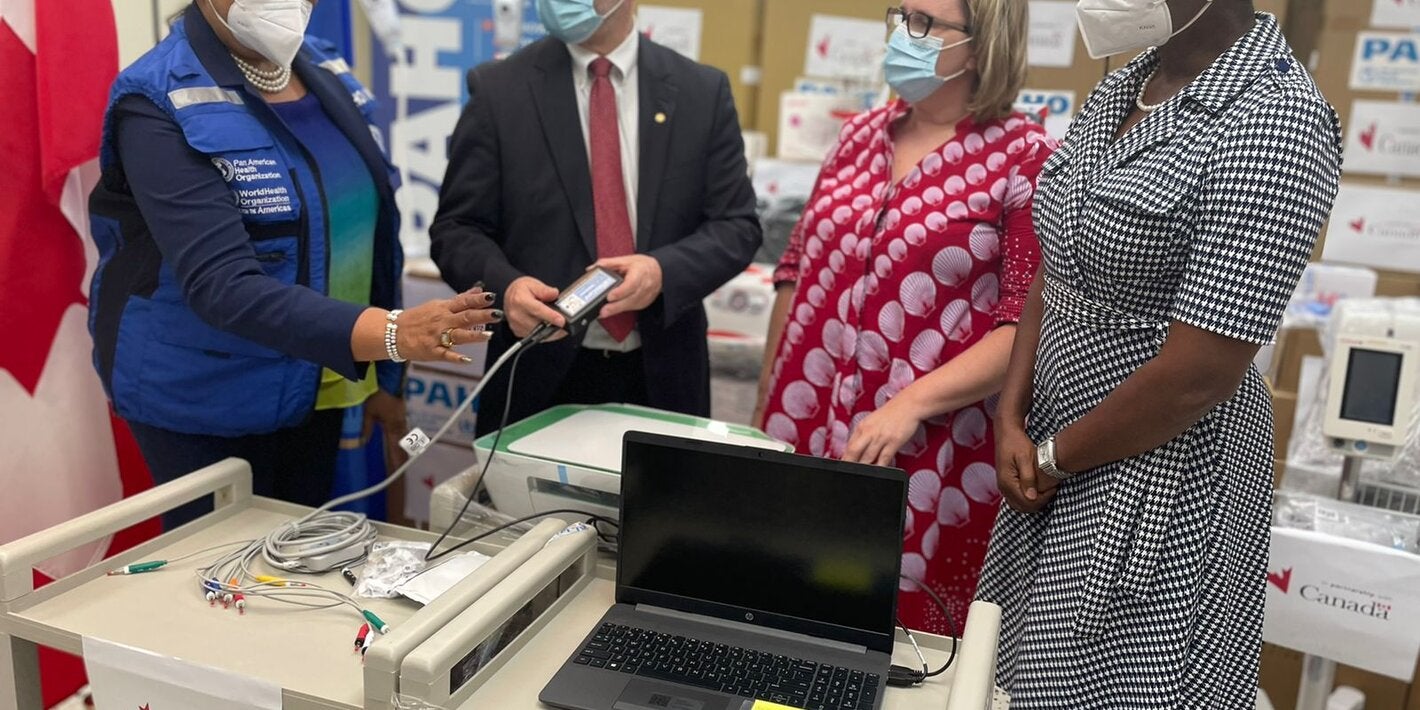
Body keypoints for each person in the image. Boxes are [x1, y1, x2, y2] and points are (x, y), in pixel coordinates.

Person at [974, 1, 1341, 706]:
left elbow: (1197, 377)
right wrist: (1011, 415)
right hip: (1049, 453)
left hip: (1157, 477)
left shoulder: (1277, 117)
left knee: (1111, 690)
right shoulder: (1127, 84)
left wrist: (1053, 454)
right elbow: (1057, 263)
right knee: (1016, 683)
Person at [89, 0, 500, 528]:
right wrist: (391, 333)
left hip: (319, 380)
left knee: (298, 563)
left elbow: (371, 235)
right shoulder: (155, 99)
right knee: (225, 588)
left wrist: (388, 376)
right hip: (209, 400)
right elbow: (223, 285)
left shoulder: (326, 68)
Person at [753, 0, 1052, 632]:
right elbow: (796, 271)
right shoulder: (861, 135)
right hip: (804, 430)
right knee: (781, 615)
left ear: (978, 47)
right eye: (898, 15)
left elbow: (1024, 325)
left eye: (924, 24)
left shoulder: (1025, 158)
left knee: (891, 642)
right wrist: (763, 405)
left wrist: (910, 404)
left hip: (926, 454)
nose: (901, 35)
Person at [430, 0, 761, 435]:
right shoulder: (500, 90)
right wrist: (505, 288)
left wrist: (662, 272)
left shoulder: (701, 91)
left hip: (662, 373)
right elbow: (457, 229)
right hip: (538, 373)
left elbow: (736, 225)